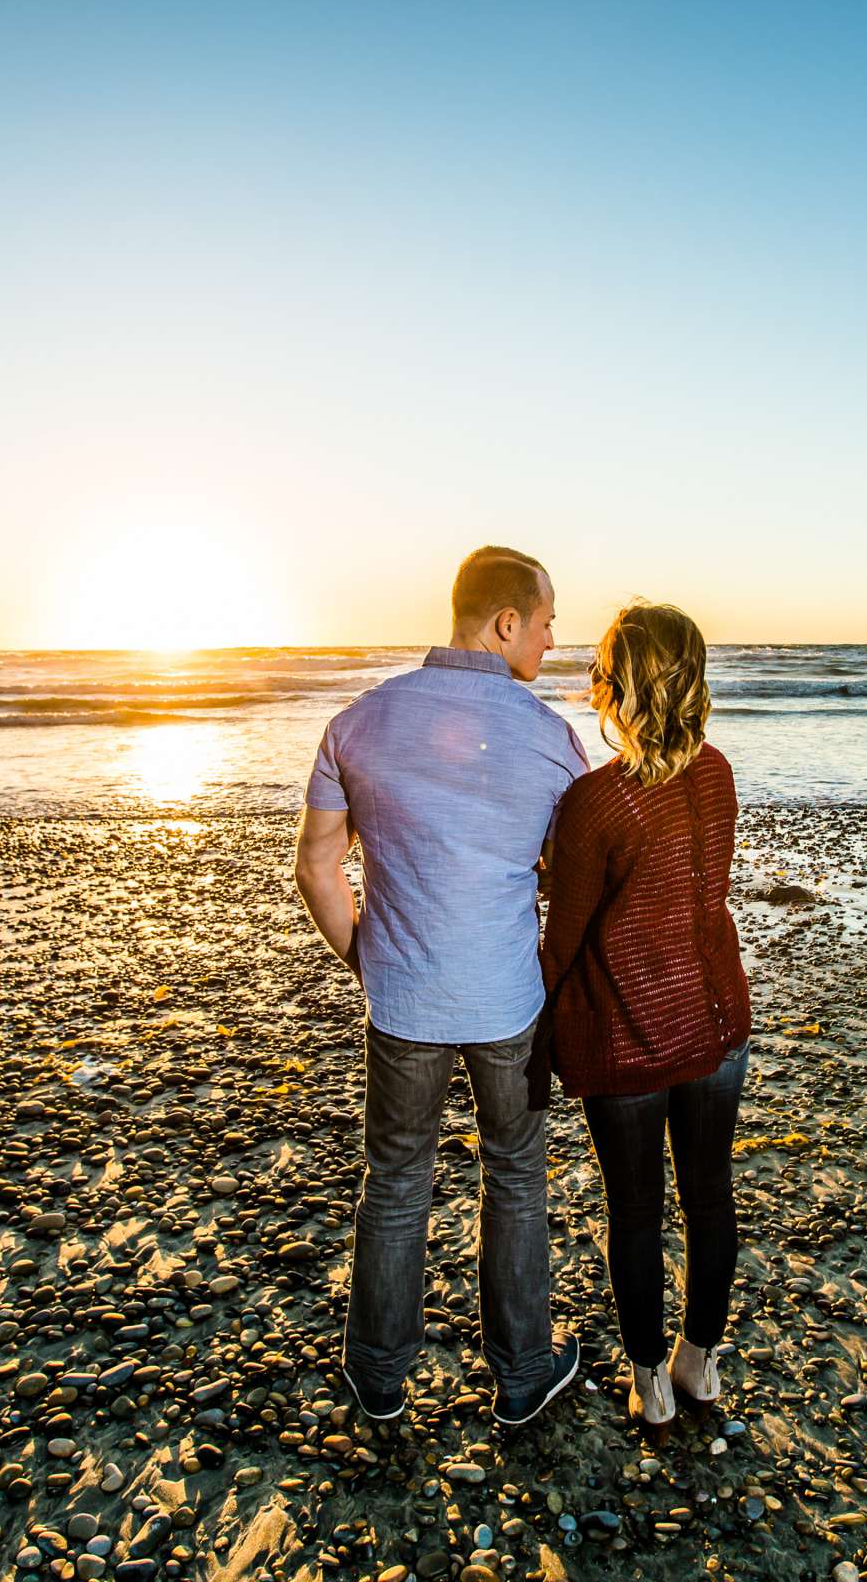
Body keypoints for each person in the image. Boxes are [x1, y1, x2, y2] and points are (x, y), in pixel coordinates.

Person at [293, 545, 589, 1426]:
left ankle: (378, 1382)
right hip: (509, 1004)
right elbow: (563, 876)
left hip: (405, 1002)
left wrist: (371, 957)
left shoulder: (358, 721)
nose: (548, 637)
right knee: (517, 1178)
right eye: (543, 622)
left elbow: (316, 870)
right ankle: (522, 1375)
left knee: (395, 1181)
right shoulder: (550, 739)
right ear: (505, 622)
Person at [541, 601, 751, 1426]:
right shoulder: (718, 772)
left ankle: (650, 1384)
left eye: (600, 668)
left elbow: (563, 945)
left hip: (628, 1032)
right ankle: (697, 1365)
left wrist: (527, 1036)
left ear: (617, 686)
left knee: (634, 1209)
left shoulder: (595, 802)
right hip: (714, 1018)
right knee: (709, 1195)